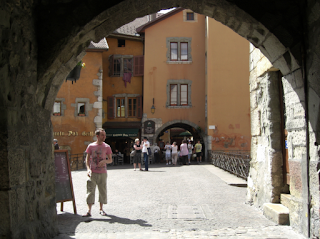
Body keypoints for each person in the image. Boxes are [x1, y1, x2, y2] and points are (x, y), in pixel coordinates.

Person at [82, 128, 113, 217]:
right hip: (92, 172)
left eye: (105, 135)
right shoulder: (91, 146)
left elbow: (110, 160)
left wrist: (104, 161)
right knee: (90, 191)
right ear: (97, 136)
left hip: (103, 172)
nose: (104, 137)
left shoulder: (107, 147)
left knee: (102, 190)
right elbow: (87, 159)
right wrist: (88, 169)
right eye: (102, 135)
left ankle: (101, 209)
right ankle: (89, 211)